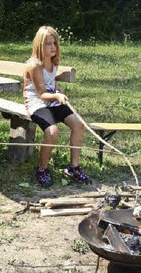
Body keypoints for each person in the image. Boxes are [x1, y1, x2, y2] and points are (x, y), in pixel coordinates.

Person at [23, 26, 91, 187]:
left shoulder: (54, 61)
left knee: (78, 124)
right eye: (48, 44)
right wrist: (57, 95)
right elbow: (41, 93)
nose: (53, 47)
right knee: (52, 132)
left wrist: (56, 87)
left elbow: (49, 81)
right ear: (39, 45)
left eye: (54, 43)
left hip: (51, 98)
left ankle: (73, 167)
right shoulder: (34, 65)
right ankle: (42, 169)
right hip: (37, 102)